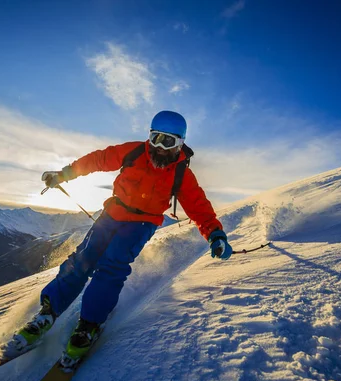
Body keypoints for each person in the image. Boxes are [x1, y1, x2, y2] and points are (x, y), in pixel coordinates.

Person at [14, 110, 233, 365]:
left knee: (113, 264)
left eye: (168, 141)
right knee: (83, 258)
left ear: (180, 144)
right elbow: (98, 160)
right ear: (149, 137)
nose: (160, 148)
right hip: (113, 213)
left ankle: (88, 325)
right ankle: (48, 312)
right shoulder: (133, 152)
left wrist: (215, 234)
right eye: (156, 138)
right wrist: (64, 174)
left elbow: (198, 206)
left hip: (142, 223)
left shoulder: (181, 173)